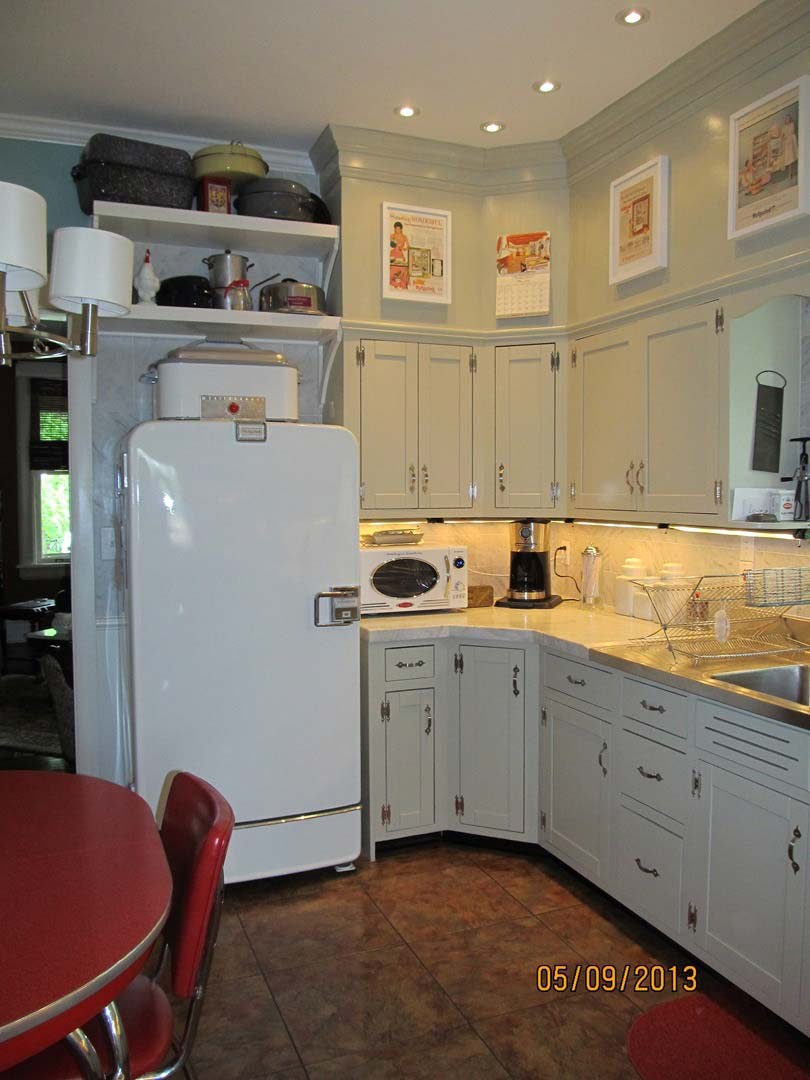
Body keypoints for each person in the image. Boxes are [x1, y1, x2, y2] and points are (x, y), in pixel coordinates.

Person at [783, 114, 799, 180]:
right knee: (789, 160)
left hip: (792, 143)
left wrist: (790, 139)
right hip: (787, 145)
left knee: (793, 157)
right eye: (786, 119)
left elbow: (792, 133)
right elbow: (783, 136)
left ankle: (792, 173)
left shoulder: (791, 125)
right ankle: (790, 173)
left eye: (788, 118)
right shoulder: (784, 127)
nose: (787, 120)